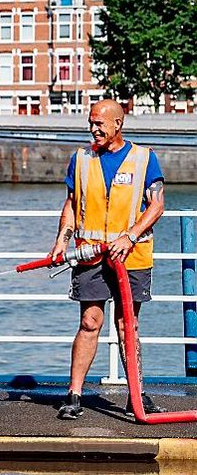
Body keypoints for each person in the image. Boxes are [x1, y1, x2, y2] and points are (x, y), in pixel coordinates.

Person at [49, 99, 166, 420]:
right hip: (91, 255)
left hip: (132, 255)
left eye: (100, 124)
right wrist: (61, 240)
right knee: (89, 322)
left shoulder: (144, 159)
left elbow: (156, 206)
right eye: (91, 123)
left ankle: (136, 394)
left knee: (128, 325)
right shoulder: (81, 159)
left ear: (118, 124)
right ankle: (74, 395)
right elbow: (72, 203)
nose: (94, 129)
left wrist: (129, 235)